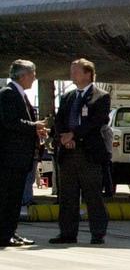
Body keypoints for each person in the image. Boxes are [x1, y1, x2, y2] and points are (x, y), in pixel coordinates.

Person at [50, 58, 112, 245]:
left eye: (76, 71)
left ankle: (98, 233)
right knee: (67, 196)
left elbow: (96, 121)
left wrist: (73, 136)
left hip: (89, 154)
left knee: (93, 195)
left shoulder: (101, 97)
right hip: (68, 154)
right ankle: (67, 233)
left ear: (87, 74)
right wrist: (63, 137)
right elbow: (60, 119)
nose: (72, 74)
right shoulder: (68, 97)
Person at [1, 60, 48, 247]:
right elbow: (10, 122)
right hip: (10, 158)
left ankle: (10, 232)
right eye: (33, 74)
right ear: (23, 75)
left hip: (19, 158)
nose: (35, 77)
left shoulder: (19, 95)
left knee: (14, 199)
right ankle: (4, 234)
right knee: (8, 199)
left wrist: (35, 130)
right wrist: (33, 126)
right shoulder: (8, 94)